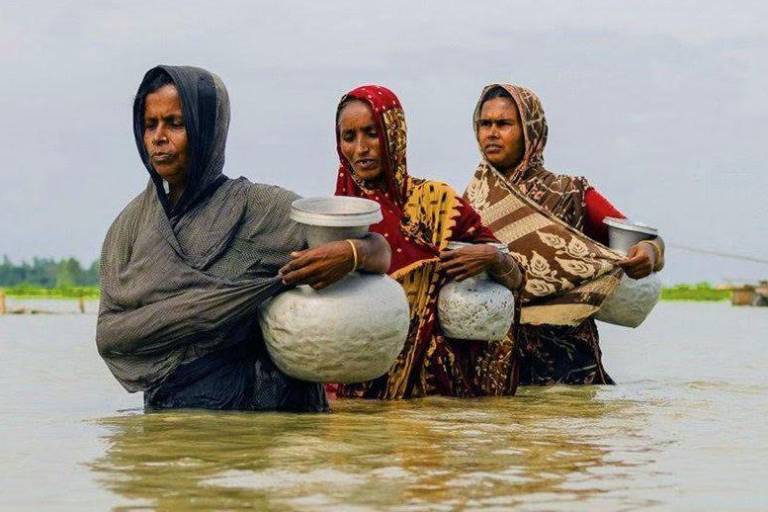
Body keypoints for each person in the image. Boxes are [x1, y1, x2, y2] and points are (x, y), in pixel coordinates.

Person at [96, 66, 391, 411]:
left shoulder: (257, 209)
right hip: (172, 416)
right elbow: (110, 335)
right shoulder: (129, 227)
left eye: (175, 124)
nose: (159, 137)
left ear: (208, 129)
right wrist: (198, 312)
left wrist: (353, 252)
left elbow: (377, 249)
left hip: (260, 418)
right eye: (151, 125)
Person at [332, 85, 524, 400]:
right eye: (349, 137)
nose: (360, 148)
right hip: (353, 394)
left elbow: (517, 278)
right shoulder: (337, 218)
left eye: (372, 133)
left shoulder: (439, 203)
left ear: (394, 133)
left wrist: (493, 258)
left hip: (435, 399)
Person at [464, 84, 665, 385]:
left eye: (504, 124)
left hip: (567, 359)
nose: (492, 133)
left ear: (531, 130)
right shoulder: (470, 201)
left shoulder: (570, 192)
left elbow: (641, 240)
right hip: (496, 358)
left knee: (567, 424)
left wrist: (650, 253)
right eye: (485, 124)